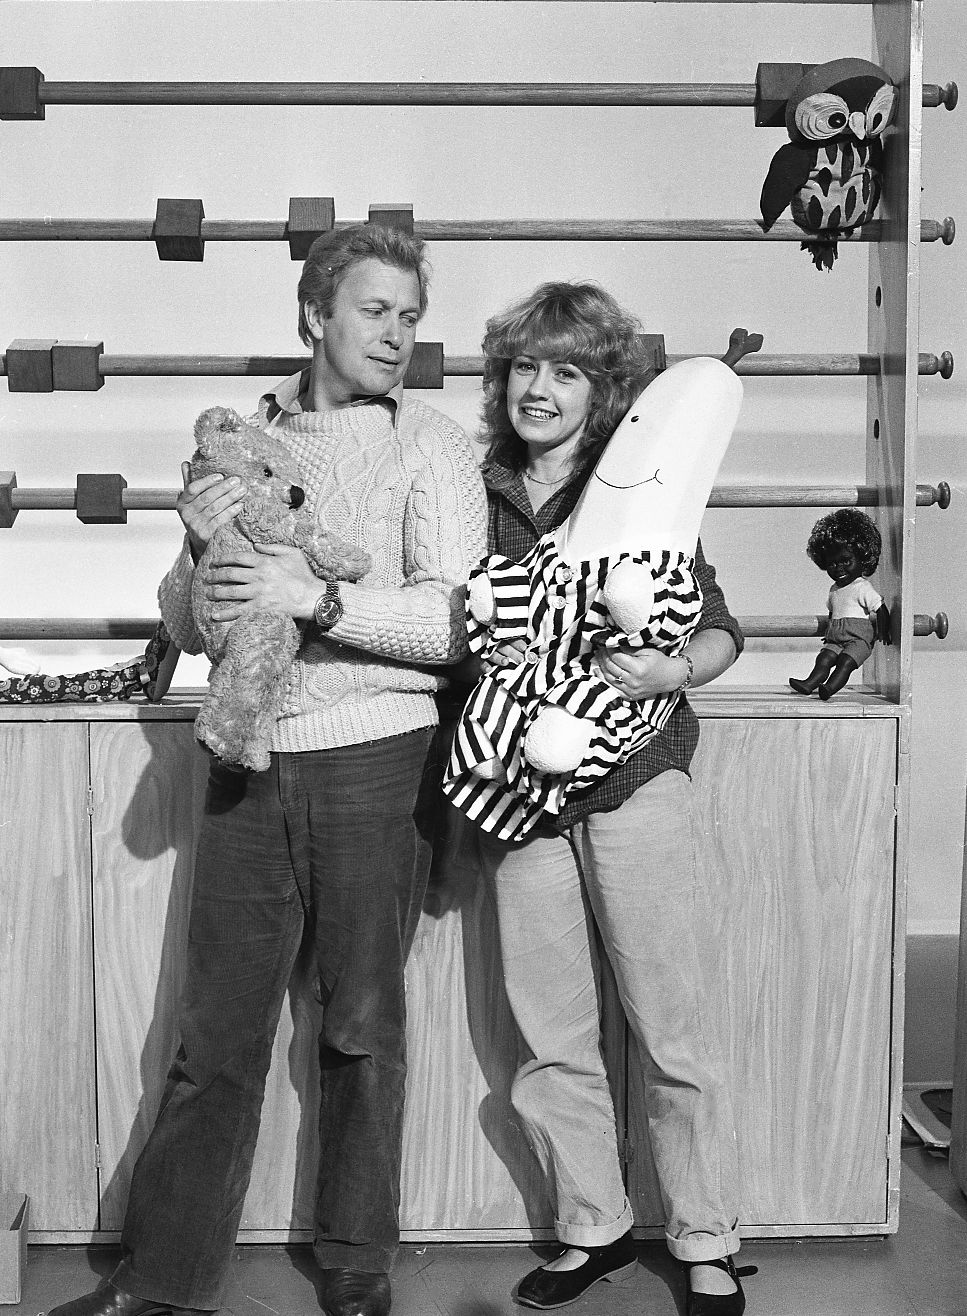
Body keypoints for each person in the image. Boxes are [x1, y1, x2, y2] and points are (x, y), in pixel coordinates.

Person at [48, 224, 487, 1316]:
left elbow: (461, 621)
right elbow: (186, 626)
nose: (396, 334)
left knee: (361, 1026)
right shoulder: (246, 440)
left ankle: (357, 1264)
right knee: (217, 1035)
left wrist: (319, 598)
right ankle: (164, 1279)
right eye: (374, 311)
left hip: (377, 757)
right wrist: (200, 551)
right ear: (313, 315)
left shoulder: (430, 445)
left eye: (408, 316)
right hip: (246, 756)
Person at [455, 282, 752, 1316]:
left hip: (633, 779)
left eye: (566, 371)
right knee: (551, 1032)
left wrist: (675, 668)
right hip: (519, 790)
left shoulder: (636, 479)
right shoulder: (471, 490)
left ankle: (706, 1237)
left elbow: (716, 626)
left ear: (603, 390)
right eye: (523, 367)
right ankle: (594, 1225)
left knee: (671, 1024)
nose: (538, 388)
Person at [788, 508, 891, 699]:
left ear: (863, 558)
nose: (839, 568)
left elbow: (880, 608)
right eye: (832, 564)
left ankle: (830, 688)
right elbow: (833, 613)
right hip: (835, 638)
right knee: (823, 659)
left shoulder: (862, 587)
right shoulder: (834, 590)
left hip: (858, 640)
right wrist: (829, 631)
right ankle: (810, 684)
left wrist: (883, 630)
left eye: (846, 561)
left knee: (845, 662)